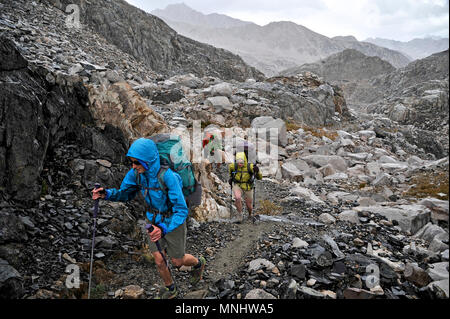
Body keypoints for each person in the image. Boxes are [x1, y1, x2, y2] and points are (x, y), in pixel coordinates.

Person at [92, 138, 206, 299]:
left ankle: (198, 263)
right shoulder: (136, 174)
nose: (133, 166)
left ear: (148, 161)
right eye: (131, 162)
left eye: (137, 163)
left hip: (172, 221)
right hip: (152, 221)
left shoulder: (168, 177)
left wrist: (164, 228)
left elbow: (181, 210)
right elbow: (125, 193)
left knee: (177, 262)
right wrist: (107, 194)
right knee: (159, 260)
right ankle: (170, 290)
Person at [228, 151, 262, 222]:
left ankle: (249, 214)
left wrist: (257, 171)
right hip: (237, 184)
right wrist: (231, 179)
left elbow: (259, 177)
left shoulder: (250, 167)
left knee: (249, 205)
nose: (240, 164)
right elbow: (231, 174)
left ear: (245, 161)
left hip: (248, 186)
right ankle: (239, 215)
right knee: (237, 198)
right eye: (238, 163)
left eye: (241, 163)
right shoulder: (233, 166)